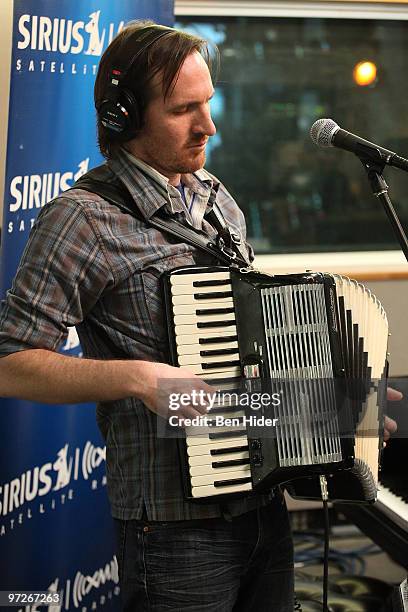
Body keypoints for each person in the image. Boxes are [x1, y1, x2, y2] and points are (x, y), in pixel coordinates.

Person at [0, 20, 399, 612]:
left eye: (207, 103)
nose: (207, 125)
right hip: (173, 531)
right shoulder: (81, 219)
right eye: (184, 109)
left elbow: (252, 361)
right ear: (124, 118)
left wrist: (334, 410)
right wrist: (136, 379)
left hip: (264, 508)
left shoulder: (216, 200)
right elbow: (11, 363)